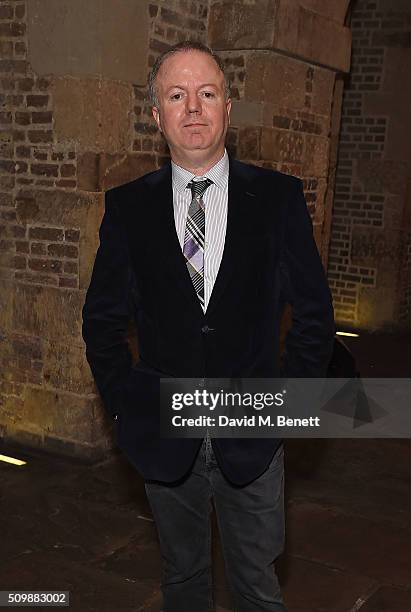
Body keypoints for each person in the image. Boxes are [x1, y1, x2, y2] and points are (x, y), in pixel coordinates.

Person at [82, 41, 335, 612]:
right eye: (177, 95)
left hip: (253, 433)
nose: (192, 107)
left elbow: (315, 316)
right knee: (184, 581)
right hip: (164, 435)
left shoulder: (277, 199)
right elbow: (102, 320)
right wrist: (127, 404)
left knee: (257, 588)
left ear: (227, 108)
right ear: (157, 115)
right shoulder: (127, 208)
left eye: (206, 93)